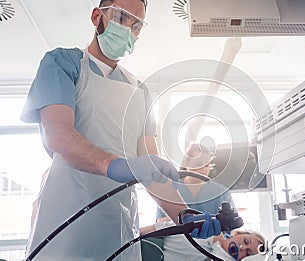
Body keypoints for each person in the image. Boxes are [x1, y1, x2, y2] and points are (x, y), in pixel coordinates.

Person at [20, 0, 219, 260]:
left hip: (120, 226)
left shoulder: (140, 92)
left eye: (137, 26)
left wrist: (183, 214)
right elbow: (58, 136)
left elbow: (151, 171)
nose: (128, 30)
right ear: (96, 17)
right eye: (121, 18)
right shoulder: (63, 64)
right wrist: (116, 166)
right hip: (65, 219)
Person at [156, 143, 237, 222]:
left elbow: (233, 223)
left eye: (207, 165)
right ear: (186, 163)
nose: (204, 170)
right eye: (199, 164)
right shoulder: (169, 189)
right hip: (178, 235)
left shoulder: (221, 192)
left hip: (217, 235)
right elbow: (159, 222)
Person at [140, 221, 268, 261]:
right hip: (141, 246)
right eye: (246, 241)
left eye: (248, 253)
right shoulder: (201, 228)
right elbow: (155, 228)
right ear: (238, 233)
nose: (242, 248)